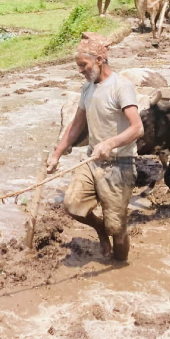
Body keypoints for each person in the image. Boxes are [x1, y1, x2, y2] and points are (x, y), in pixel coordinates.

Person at [47, 32, 143, 262]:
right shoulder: (87, 88)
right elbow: (77, 123)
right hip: (92, 161)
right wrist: (57, 154)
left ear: (100, 60)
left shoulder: (121, 87)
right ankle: (99, 229)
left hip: (120, 164)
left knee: (117, 229)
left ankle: (120, 268)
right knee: (71, 205)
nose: (80, 70)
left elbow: (137, 128)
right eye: (78, 66)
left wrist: (110, 143)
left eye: (83, 65)